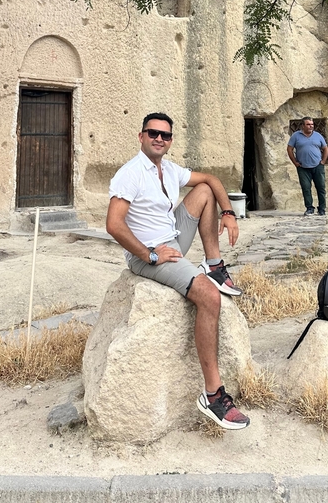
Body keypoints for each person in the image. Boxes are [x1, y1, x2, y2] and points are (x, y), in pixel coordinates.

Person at [106, 112, 250, 430]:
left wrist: (229, 213)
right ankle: (213, 395)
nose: (159, 138)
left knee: (205, 192)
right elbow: (113, 224)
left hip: (171, 240)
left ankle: (214, 264)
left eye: (165, 135)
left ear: (170, 142)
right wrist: (149, 254)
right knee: (209, 297)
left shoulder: (168, 170)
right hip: (149, 255)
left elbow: (211, 180)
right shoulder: (130, 174)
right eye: (153, 133)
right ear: (141, 136)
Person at [287, 117, 328, 217]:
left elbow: (325, 148)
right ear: (303, 125)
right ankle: (309, 208)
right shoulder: (296, 136)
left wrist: (323, 161)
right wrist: (295, 163)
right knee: (306, 188)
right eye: (308, 124)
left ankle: (322, 209)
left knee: (321, 187)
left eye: (312, 124)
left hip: (317, 166)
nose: (311, 126)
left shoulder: (318, 136)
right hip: (303, 167)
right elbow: (289, 149)